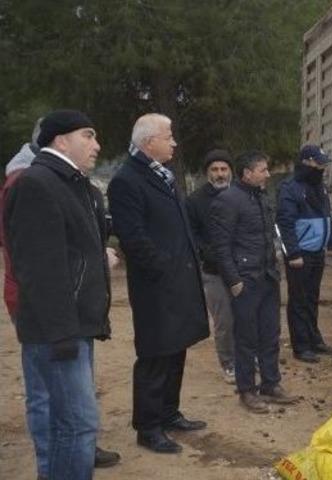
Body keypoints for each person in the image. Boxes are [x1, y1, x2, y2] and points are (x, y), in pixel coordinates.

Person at [1, 118, 121, 478]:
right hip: (57, 330)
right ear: (61, 141)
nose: (97, 144)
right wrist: (62, 333)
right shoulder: (37, 184)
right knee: (77, 425)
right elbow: (38, 271)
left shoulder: (72, 184)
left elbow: (78, 252)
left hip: (73, 324)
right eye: (88, 135)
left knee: (69, 424)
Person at [108, 113, 209, 454]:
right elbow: (133, 238)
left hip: (177, 281)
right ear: (149, 141)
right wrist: (164, 269)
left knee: (176, 349)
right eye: (169, 136)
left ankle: (168, 412)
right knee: (155, 355)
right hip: (155, 286)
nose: (174, 142)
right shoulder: (127, 180)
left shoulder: (162, 175)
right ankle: (148, 426)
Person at [209, 151, 300, 413]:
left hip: (267, 276)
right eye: (263, 170)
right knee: (246, 338)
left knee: (270, 334)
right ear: (248, 173)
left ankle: (271, 384)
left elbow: (269, 235)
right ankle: (247, 390)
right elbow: (221, 246)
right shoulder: (227, 200)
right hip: (245, 281)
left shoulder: (261, 197)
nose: (268, 174)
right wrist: (233, 280)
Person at [276, 145, 332, 364]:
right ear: (306, 163)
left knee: (312, 298)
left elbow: (327, 215)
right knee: (298, 301)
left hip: (317, 252)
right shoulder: (290, 188)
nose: (322, 168)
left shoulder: (319, 187)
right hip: (300, 254)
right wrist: (293, 253)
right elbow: (284, 223)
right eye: (318, 164)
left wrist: (331, 241)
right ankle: (301, 346)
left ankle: (314, 339)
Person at [186, 149, 236, 384]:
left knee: (246, 318)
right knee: (224, 320)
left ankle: (246, 357)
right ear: (207, 173)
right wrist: (206, 252)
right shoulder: (195, 201)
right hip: (213, 272)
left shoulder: (241, 196)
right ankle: (229, 364)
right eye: (214, 170)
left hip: (242, 270)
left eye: (223, 169)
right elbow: (191, 234)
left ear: (231, 172)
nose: (219, 174)